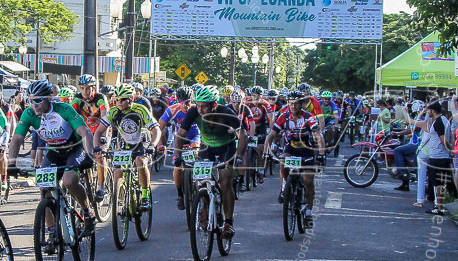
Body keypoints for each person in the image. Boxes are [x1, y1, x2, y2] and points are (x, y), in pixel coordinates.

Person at [5, 79, 94, 236]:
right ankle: (52, 231)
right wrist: (11, 163)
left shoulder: (63, 109)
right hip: (54, 151)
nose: (34, 104)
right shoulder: (29, 114)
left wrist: (89, 154)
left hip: (75, 148)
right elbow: (17, 139)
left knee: (69, 181)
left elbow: (84, 132)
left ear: (48, 98)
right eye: (30, 100)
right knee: (45, 189)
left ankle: (88, 212)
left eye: (38, 100)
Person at [173, 85, 247, 239]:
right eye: (198, 105)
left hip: (226, 148)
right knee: (200, 180)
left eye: (204, 106)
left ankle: (228, 223)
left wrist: (238, 155)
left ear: (214, 104)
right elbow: (180, 135)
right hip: (207, 148)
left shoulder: (226, 112)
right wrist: (177, 156)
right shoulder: (194, 111)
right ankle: (204, 204)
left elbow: (243, 136)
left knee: (225, 182)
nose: (200, 110)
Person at [263, 89, 324, 228]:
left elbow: (318, 136)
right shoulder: (284, 116)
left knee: (308, 181)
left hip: (306, 151)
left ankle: (308, 211)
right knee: (283, 160)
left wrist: (320, 154)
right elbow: (272, 134)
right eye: (291, 103)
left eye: (296, 104)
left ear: (302, 104)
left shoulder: (309, 117)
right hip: (290, 149)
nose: (293, 106)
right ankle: (285, 186)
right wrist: (266, 151)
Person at [106, 84, 161, 210]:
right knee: (117, 172)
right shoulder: (114, 111)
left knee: (140, 161)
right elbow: (99, 131)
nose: (119, 102)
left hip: (142, 143)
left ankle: (145, 195)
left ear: (131, 98)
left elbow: (156, 130)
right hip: (125, 145)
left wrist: (152, 145)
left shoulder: (141, 109)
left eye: (122, 99)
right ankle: (121, 200)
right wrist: (99, 147)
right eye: (117, 99)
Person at [70, 74, 112, 202]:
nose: (84, 91)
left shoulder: (100, 98)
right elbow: (70, 115)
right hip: (87, 132)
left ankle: (101, 188)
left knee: (100, 155)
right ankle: (83, 179)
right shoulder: (77, 98)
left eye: (87, 88)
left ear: (94, 88)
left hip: (102, 130)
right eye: (82, 88)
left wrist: (103, 138)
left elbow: (106, 118)